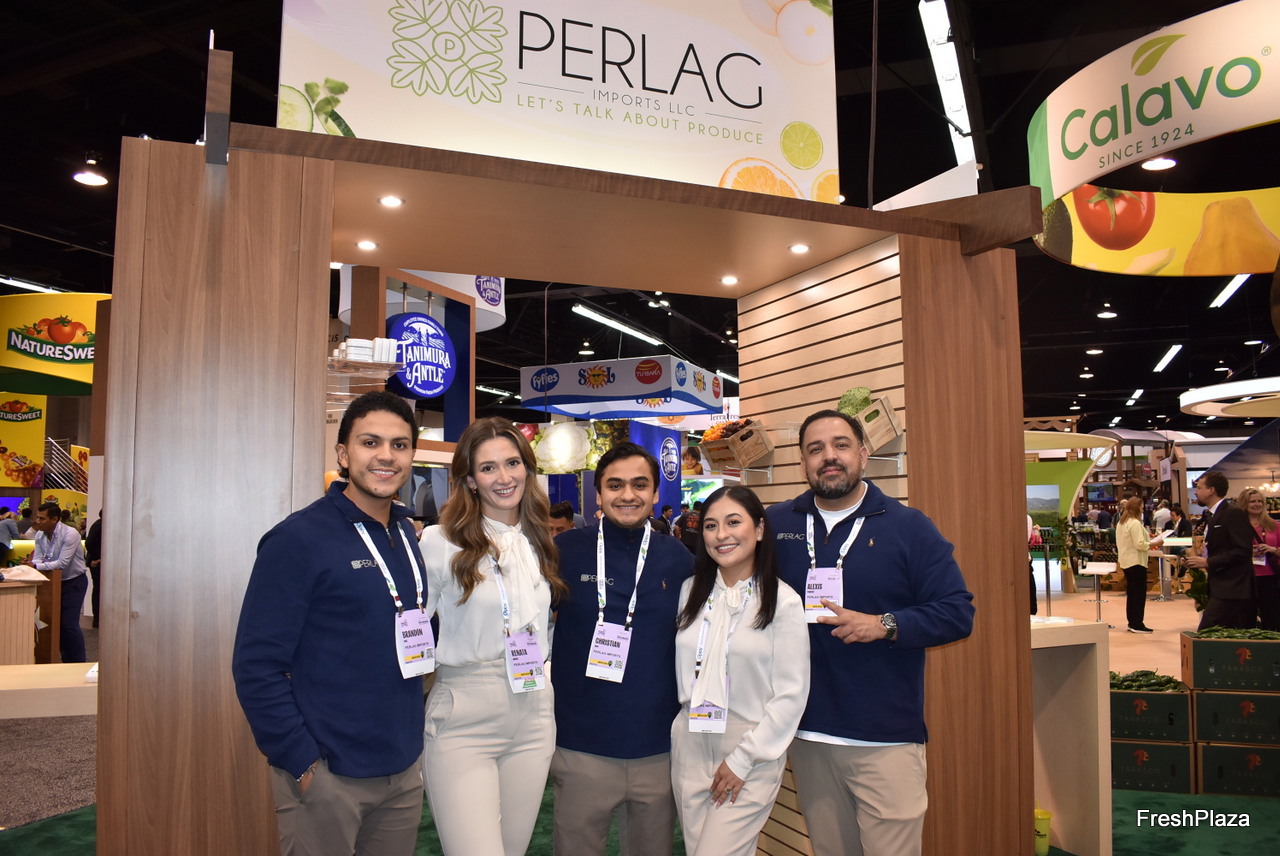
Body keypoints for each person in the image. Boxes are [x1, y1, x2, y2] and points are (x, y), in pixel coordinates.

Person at [766, 409, 974, 856]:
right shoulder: (777, 525)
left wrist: (884, 624)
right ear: (802, 463)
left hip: (885, 736)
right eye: (815, 449)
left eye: (841, 445)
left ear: (863, 454)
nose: (829, 457)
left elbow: (957, 612)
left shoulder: (908, 527)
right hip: (807, 734)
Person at [232, 391, 427, 856]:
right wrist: (302, 762)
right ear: (343, 454)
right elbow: (256, 665)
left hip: (401, 768)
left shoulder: (405, 533)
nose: (386, 455)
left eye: (399, 445)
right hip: (329, 772)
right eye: (370, 442)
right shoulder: (298, 539)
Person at [420, 417, 567, 856]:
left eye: (512, 463)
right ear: (470, 479)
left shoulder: (540, 541)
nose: (504, 477)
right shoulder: (439, 541)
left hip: (534, 711)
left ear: (528, 468)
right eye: (488, 468)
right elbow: (410, 627)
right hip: (464, 713)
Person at [550, 442, 695, 856]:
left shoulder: (679, 559)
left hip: (658, 748)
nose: (627, 495)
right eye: (615, 485)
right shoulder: (564, 551)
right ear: (598, 494)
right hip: (580, 744)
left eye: (639, 485)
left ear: (655, 493)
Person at [671, 485, 808, 856]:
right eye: (711, 525)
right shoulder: (689, 592)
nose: (722, 535)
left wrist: (743, 759)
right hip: (690, 739)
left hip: (750, 747)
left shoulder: (783, 601)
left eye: (734, 522)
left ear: (759, 529)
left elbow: (791, 695)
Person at [1184, 471, 1256, 630]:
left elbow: (1243, 551)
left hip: (1233, 588)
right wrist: (1196, 561)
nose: (1195, 492)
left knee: (1206, 632)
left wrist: (1208, 562)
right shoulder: (1211, 515)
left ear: (1211, 490)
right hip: (1221, 587)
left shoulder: (1233, 513)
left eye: (1199, 488)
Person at [25, 502, 89, 663]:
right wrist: (34, 564)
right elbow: (38, 558)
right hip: (52, 582)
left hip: (73, 582)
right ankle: (63, 660)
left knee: (68, 624)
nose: (37, 521)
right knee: (54, 623)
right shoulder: (40, 535)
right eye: (37, 517)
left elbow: (62, 563)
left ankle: (77, 662)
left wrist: (36, 565)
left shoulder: (70, 534)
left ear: (54, 519)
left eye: (42, 518)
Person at [1239, 487, 1280, 631]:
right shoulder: (1238, 526)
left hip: (1270, 577)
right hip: (1246, 577)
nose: (1257, 504)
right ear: (1244, 504)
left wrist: (1273, 549)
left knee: (1272, 618)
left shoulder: (1274, 525)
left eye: (1259, 501)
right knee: (1246, 618)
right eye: (1252, 501)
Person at [1116, 496, 1152, 633]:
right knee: (1139, 593)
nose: (1143, 510)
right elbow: (1140, 544)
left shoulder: (1122, 522)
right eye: (1142, 508)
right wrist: (1153, 543)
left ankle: (1132, 622)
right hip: (1136, 561)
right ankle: (1137, 623)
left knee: (1131, 592)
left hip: (1126, 561)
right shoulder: (1135, 523)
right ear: (1137, 508)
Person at [85, 511, 103, 628]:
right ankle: (97, 619)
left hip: (97, 561)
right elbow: (89, 543)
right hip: (96, 563)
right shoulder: (99, 525)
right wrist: (97, 558)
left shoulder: (99, 524)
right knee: (98, 590)